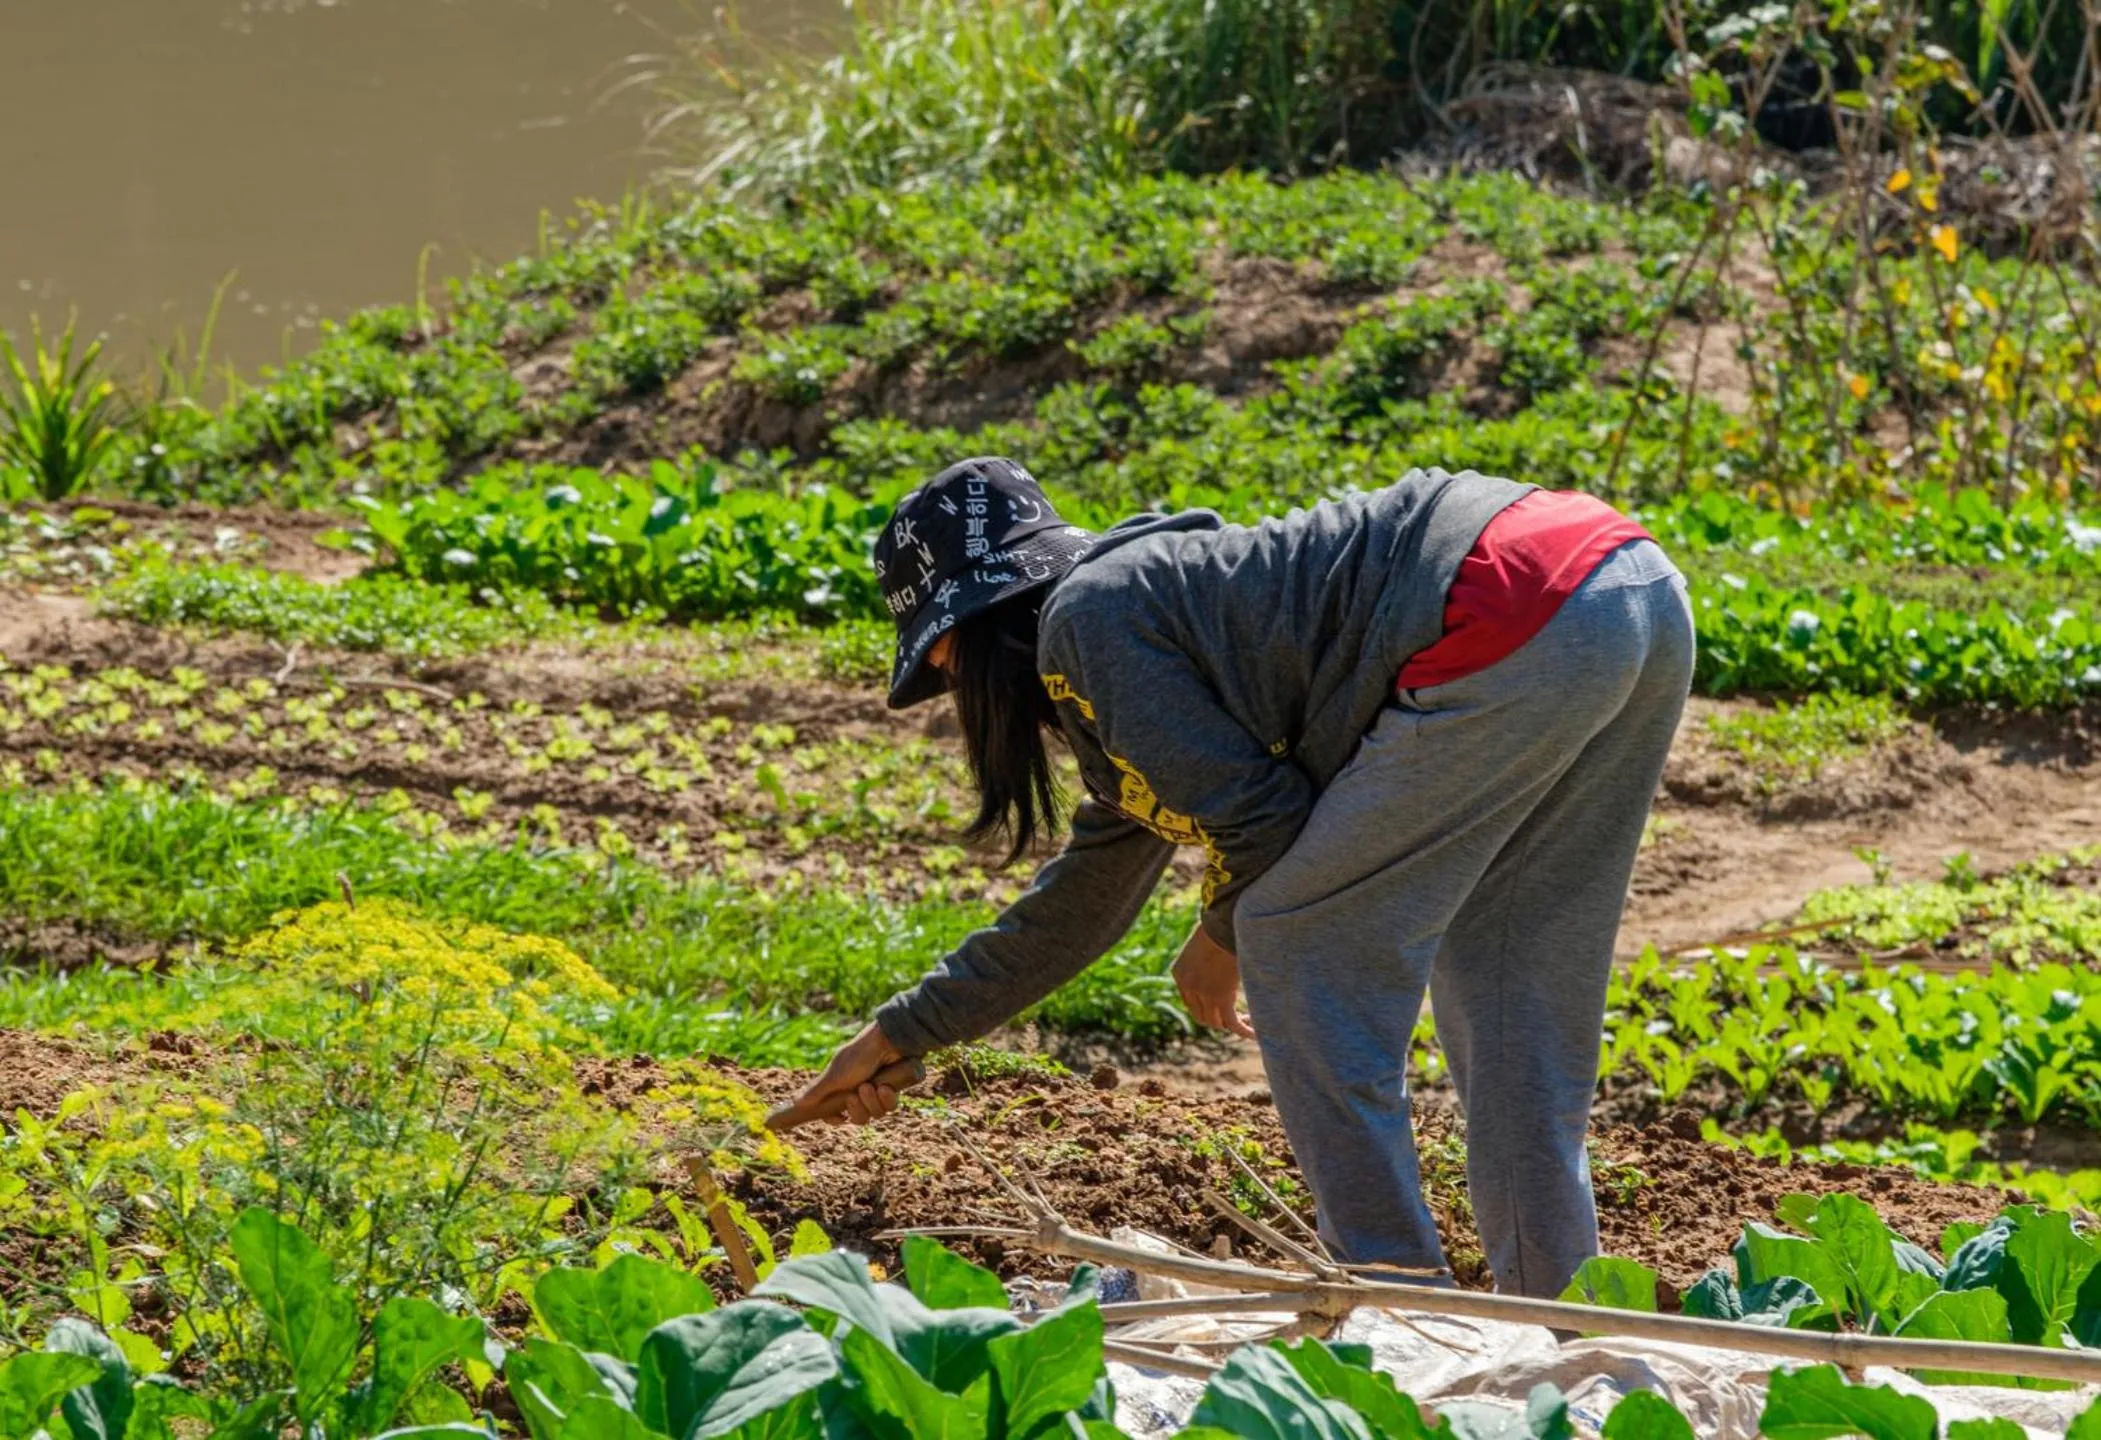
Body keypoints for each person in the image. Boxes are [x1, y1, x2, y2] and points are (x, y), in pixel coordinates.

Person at [788, 455, 1694, 1297]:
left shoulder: (1086, 624)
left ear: (964, 634)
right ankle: (1565, 1313)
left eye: (937, 658)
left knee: (1295, 936)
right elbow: (1086, 901)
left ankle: (1393, 1293)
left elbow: (1263, 826)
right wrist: (905, 1032)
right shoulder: (1138, 625)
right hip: (1624, 587)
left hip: (1501, 606)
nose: (947, 684)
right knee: (1505, 977)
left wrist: (1220, 940)